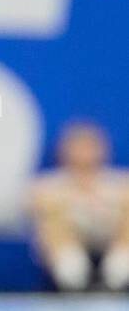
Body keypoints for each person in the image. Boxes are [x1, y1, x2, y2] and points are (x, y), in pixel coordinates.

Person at [29, 122, 129, 291]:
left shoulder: (119, 181)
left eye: (89, 147)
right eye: (78, 147)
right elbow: (35, 202)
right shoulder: (48, 183)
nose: (84, 154)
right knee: (51, 220)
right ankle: (73, 276)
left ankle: (118, 275)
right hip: (72, 236)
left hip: (110, 233)